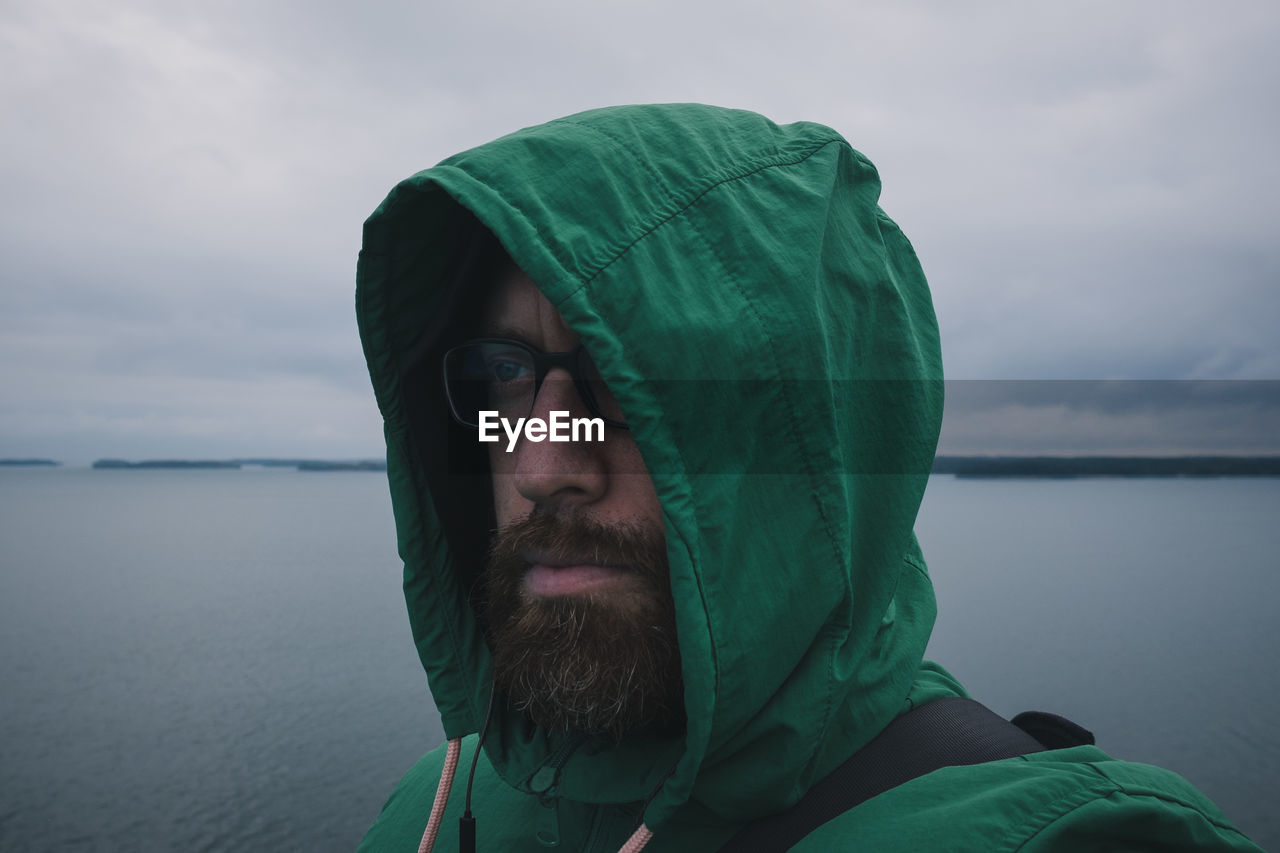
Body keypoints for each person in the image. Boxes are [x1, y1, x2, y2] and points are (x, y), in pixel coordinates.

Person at [354, 104, 1260, 852]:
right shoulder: (427, 809)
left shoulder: (1069, 839)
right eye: (505, 374)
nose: (544, 464)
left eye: (640, 382)